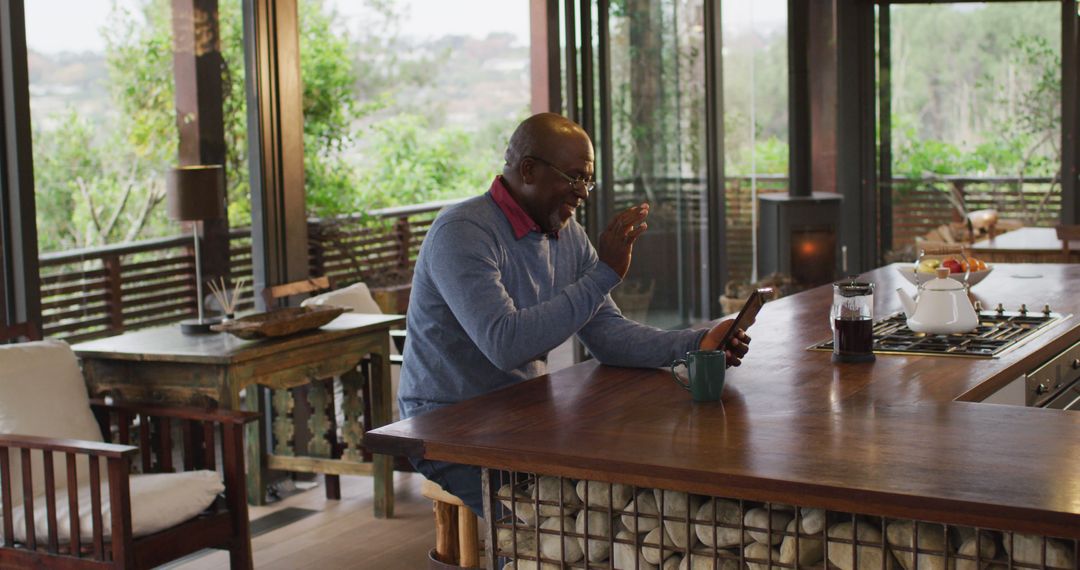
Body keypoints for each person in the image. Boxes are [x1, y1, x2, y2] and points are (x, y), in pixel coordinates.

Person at [398, 112, 750, 515]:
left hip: (522, 413)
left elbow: (607, 334)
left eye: (588, 180)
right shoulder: (462, 233)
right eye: (574, 177)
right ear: (528, 170)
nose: (583, 193)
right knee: (544, 534)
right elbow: (505, 344)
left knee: (617, 503)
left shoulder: (568, 235)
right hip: (447, 425)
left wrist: (694, 343)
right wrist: (604, 274)